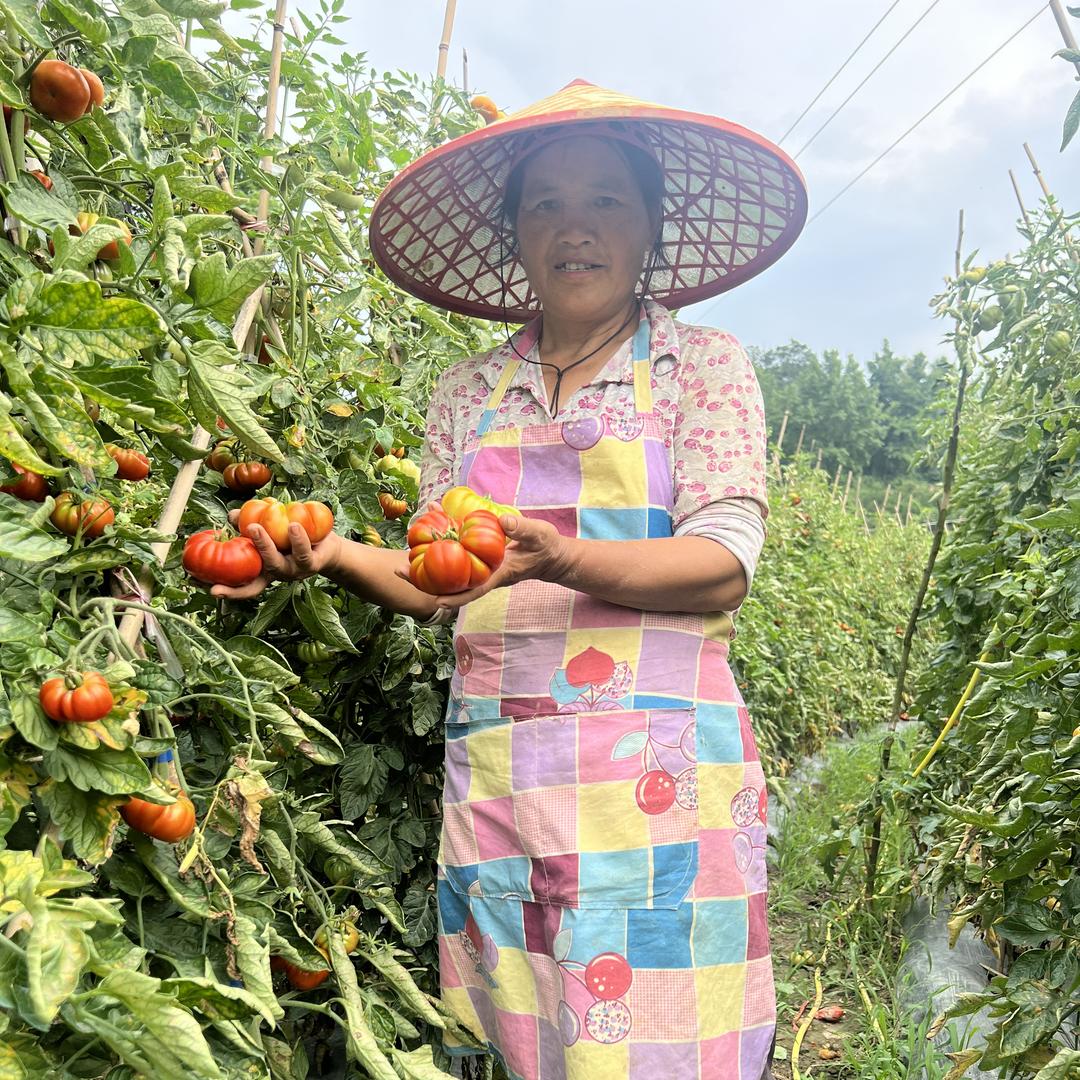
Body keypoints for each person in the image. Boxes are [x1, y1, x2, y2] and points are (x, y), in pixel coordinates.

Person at [215, 80, 807, 1080]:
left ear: (652, 223)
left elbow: (721, 564)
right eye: (546, 205)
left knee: (661, 1041)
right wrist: (337, 554)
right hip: (506, 774)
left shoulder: (700, 367)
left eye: (607, 202)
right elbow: (441, 579)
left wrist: (568, 558)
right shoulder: (471, 393)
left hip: (654, 781)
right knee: (530, 1039)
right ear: (515, 232)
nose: (575, 229)